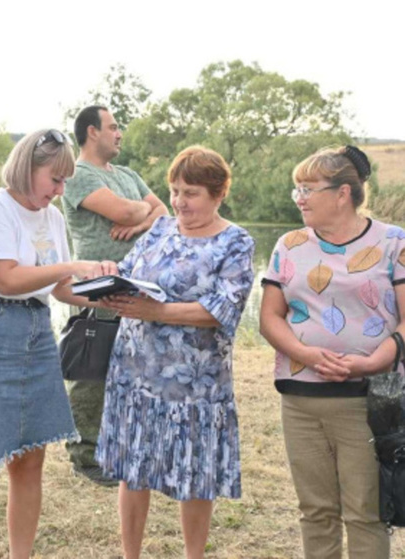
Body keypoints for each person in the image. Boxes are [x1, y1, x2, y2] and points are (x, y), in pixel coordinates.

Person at [0, 129, 110, 559]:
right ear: (26, 168)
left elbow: (62, 289)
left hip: (37, 333)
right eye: (54, 179)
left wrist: (110, 291)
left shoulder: (52, 217)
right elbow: (6, 278)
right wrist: (71, 265)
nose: (60, 190)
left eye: (65, 181)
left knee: (30, 460)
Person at [96, 146, 255, 559]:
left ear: (219, 194)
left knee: (196, 475)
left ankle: (193, 556)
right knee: (133, 472)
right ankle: (130, 554)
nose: (179, 201)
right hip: (135, 372)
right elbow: (129, 273)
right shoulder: (160, 228)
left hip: (195, 384)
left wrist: (157, 310)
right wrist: (106, 282)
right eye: (174, 190)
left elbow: (222, 309)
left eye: (191, 193)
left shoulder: (236, 242)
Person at [259, 146, 402, 558]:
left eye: (308, 189)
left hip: (370, 399)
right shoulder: (288, 245)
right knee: (315, 512)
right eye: (296, 189)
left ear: (343, 193)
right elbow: (270, 317)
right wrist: (307, 354)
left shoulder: (394, 242)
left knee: (366, 513)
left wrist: (376, 361)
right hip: (301, 401)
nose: (299, 197)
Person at [61, 105, 168, 486]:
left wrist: (139, 218)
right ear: (92, 132)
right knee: (93, 374)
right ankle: (86, 456)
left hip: (138, 286)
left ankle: (122, 449)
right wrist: (139, 214)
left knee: (134, 372)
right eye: (113, 127)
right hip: (98, 288)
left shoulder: (127, 174)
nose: (119, 133)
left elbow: (164, 210)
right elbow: (125, 211)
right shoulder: (77, 175)